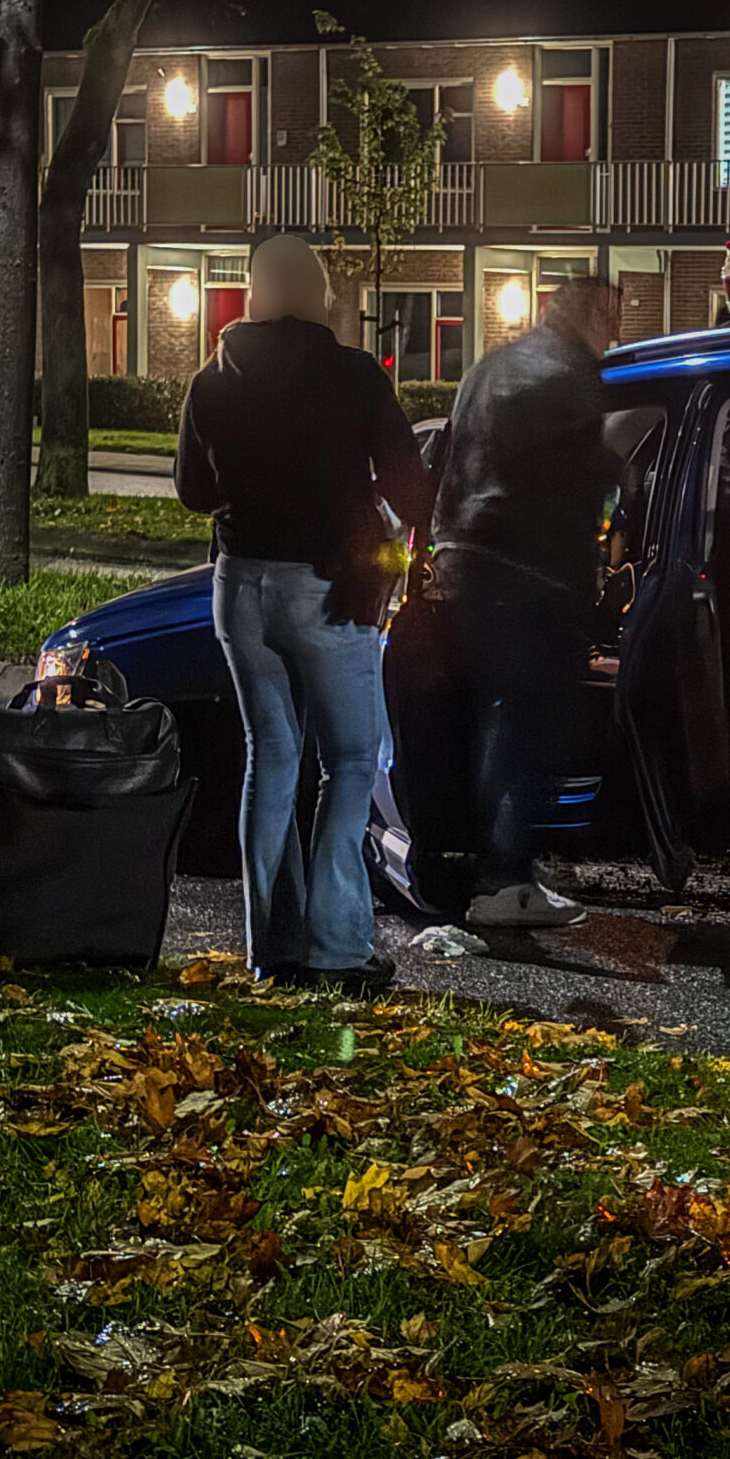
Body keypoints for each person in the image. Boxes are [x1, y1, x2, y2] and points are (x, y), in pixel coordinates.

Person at [174, 234, 428, 990]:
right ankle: (339, 945)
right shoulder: (351, 375)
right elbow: (410, 483)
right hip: (325, 587)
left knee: (271, 756)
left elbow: (192, 490)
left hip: (239, 585)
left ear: (254, 292)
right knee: (352, 759)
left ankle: (272, 948)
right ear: (317, 293)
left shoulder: (212, 379)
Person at [427, 277, 625, 927]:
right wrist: (619, 479)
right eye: (612, 317)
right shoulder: (571, 375)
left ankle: (487, 870)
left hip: (476, 572)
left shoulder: (489, 369)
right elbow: (580, 475)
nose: (615, 334)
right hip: (539, 578)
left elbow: (453, 460)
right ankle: (506, 879)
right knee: (530, 731)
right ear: (591, 313)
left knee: (496, 721)